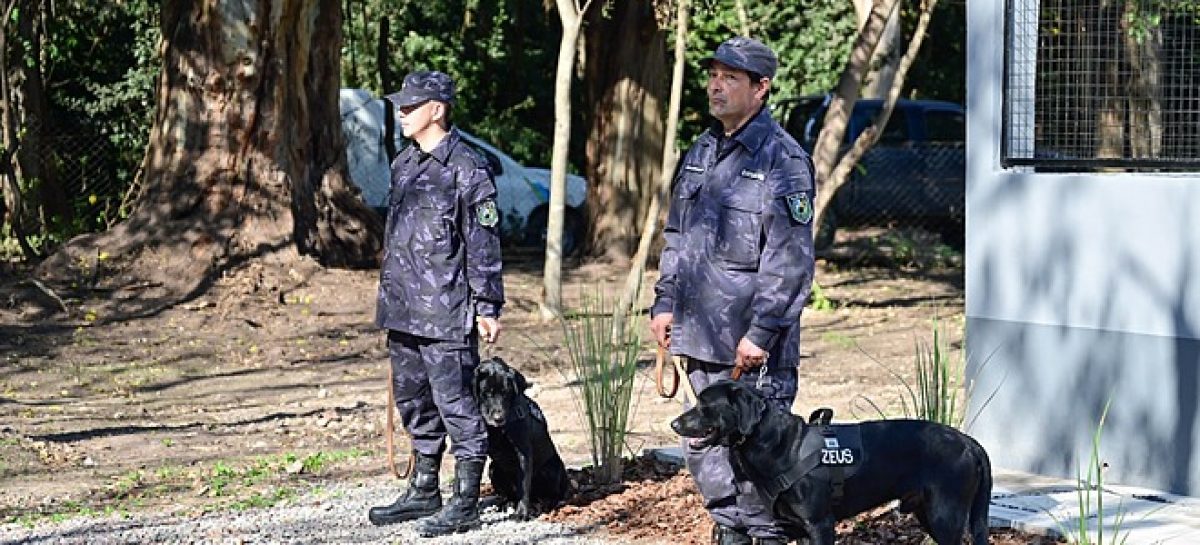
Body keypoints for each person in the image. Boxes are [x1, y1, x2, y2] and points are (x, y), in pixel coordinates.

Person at [650, 36, 816, 545]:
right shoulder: (701, 150)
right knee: (703, 445)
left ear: (761, 88)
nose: (716, 85)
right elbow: (678, 235)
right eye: (713, 74)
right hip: (698, 334)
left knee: (758, 453)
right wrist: (663, 301)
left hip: (750, 344)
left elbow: (790, 261)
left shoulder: (782, 160)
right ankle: (730, 530)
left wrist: (763, 330)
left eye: (731, 77)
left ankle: (764, 535)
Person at [367, 70, 505, 538]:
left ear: (437, 110)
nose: (401, 112)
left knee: (456, 403)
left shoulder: (467, 167)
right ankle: (425, 487)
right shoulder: (404, 163)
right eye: (400, 105)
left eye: (411, 105)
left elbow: (482, 241)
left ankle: (466, 499)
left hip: (447, 309)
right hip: (404, 307)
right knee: (413, 400)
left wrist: (487, 305)